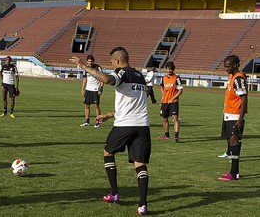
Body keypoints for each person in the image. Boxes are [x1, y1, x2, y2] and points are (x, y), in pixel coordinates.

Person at [71, 47, 151, 215]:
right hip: (143, 126)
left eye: (112, 63)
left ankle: (114, 193)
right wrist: (109, 114)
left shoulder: (122, 72)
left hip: (125, 125)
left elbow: (107, 79)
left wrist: (84, 67)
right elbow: (132, 105)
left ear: (117, 61)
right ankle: (143, 205)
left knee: (108, 152)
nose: (112, 65)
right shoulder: (140, 77)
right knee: (140, 164)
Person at [218, 55, 247, 181]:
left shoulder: (238, 78)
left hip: (235, 115)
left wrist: (240, 119)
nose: (225, 68)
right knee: (233, 143)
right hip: (229, 114)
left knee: (234, 143)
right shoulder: (232, 77)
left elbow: (244, 99)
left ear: (234, 65)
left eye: (227, 66)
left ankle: (234, 174)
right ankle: (235, 172)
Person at [158, 62, 183, 142]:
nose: (169, 71)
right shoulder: (163, 78)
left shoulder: (177, 78)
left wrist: (173, 98)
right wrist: (163, 96)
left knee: (175, 118)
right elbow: (161, 87)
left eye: (170, 69)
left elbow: (180, 90)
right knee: (164, 118)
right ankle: (166, 135)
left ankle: (176, 136)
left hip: (174, 102)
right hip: (165, 102)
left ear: (173, 69)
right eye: (167, 69)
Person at [80, 55, 103, 127]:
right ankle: (87, 121)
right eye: (89, 61)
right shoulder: (86, 69)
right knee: (86, 105)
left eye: (91, 61)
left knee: (96, 106)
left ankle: (98, 121)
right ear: (87, 61)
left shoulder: (98, 68)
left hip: (95, 90)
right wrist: (82, 89)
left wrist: (101, 88)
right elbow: (84, 79)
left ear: (93, 61)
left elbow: (102, 78)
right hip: (88, 90)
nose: (90, 62)